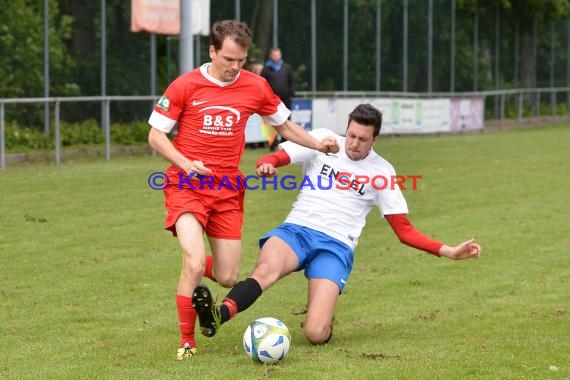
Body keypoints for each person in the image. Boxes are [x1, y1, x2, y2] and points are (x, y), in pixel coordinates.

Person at [192, 103, 482, 345]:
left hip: (336, 246)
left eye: (362, 139)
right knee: (266, 271)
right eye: (351, 135)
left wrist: (449, 251)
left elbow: (404, 231)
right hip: (297, 230)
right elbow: (278, 156)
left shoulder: (382, 172)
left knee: (315, 334)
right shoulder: (323, 141)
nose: (353, 144)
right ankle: (219, 314)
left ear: (375, 139)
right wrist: (266, 164)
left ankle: (324, 317)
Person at [147, 19, 339, 360]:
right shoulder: (185, 85)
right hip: (187, 183)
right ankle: (187, 342)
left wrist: (318, 144)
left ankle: (193, 267)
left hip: (227, 189)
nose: (235, 67)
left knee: (227, 275)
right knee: (193, 264)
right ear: (213, 51)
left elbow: (285, 126)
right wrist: (185, 163)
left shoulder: (255, 85)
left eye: (241, 60)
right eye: (228, 60)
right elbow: (155, 136)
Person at [261, 47, 295, 150]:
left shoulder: (286, 68)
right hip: (271, 101)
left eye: (278, 54)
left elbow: (292, 82)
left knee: (286, 122)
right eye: (274, 55)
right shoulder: (266, 69)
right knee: (271, 122)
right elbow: (263, 84)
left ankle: (285, 144)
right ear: (271, 56)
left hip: (285, 100)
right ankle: (272, 144)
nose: (276, 57)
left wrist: (291, 93)